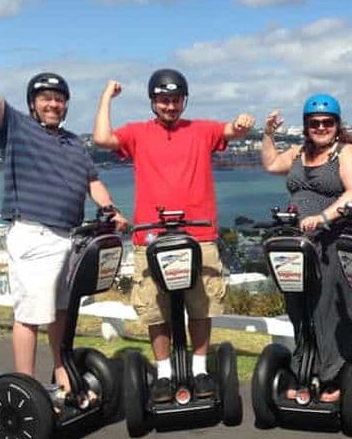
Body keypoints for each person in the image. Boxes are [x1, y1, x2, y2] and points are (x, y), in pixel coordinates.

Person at [0, 16, 127, 397]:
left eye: (58, 99)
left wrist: (112, 210)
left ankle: (62, 376)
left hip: (69, 239)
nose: (53, 104)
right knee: (31, 314)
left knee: (61, 313)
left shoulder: (74, 145)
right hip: (32, 233)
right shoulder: (15, 126)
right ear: (33, 104)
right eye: (45, 98)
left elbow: (92, 181)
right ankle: (26, 389)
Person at [93, 70, 254, 402]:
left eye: (175, 99)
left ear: (184, 100)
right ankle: (164, 373)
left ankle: (199, 369)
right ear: (153, 101)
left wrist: (241, 124)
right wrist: (107, 96)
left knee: (201, 305)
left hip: (198, 234)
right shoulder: (138, 133)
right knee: (156, 309)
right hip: (151, 237)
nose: (170, 106)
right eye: (163, 100)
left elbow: (230, 131)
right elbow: (101, 139)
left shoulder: (200, 130)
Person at [260, 94, 352, 403]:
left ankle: (332, 375)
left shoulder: (345, 153)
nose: (321, 127)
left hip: (333, 240)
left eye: (327, 122)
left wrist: (323, 217)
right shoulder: (298, 153)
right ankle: (303, 369)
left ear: (337, 124)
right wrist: (269, 134)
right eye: (314, 123)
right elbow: (270, 164)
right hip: (300, 245)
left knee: (326, 308)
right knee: (298, 307)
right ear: (307, 126)